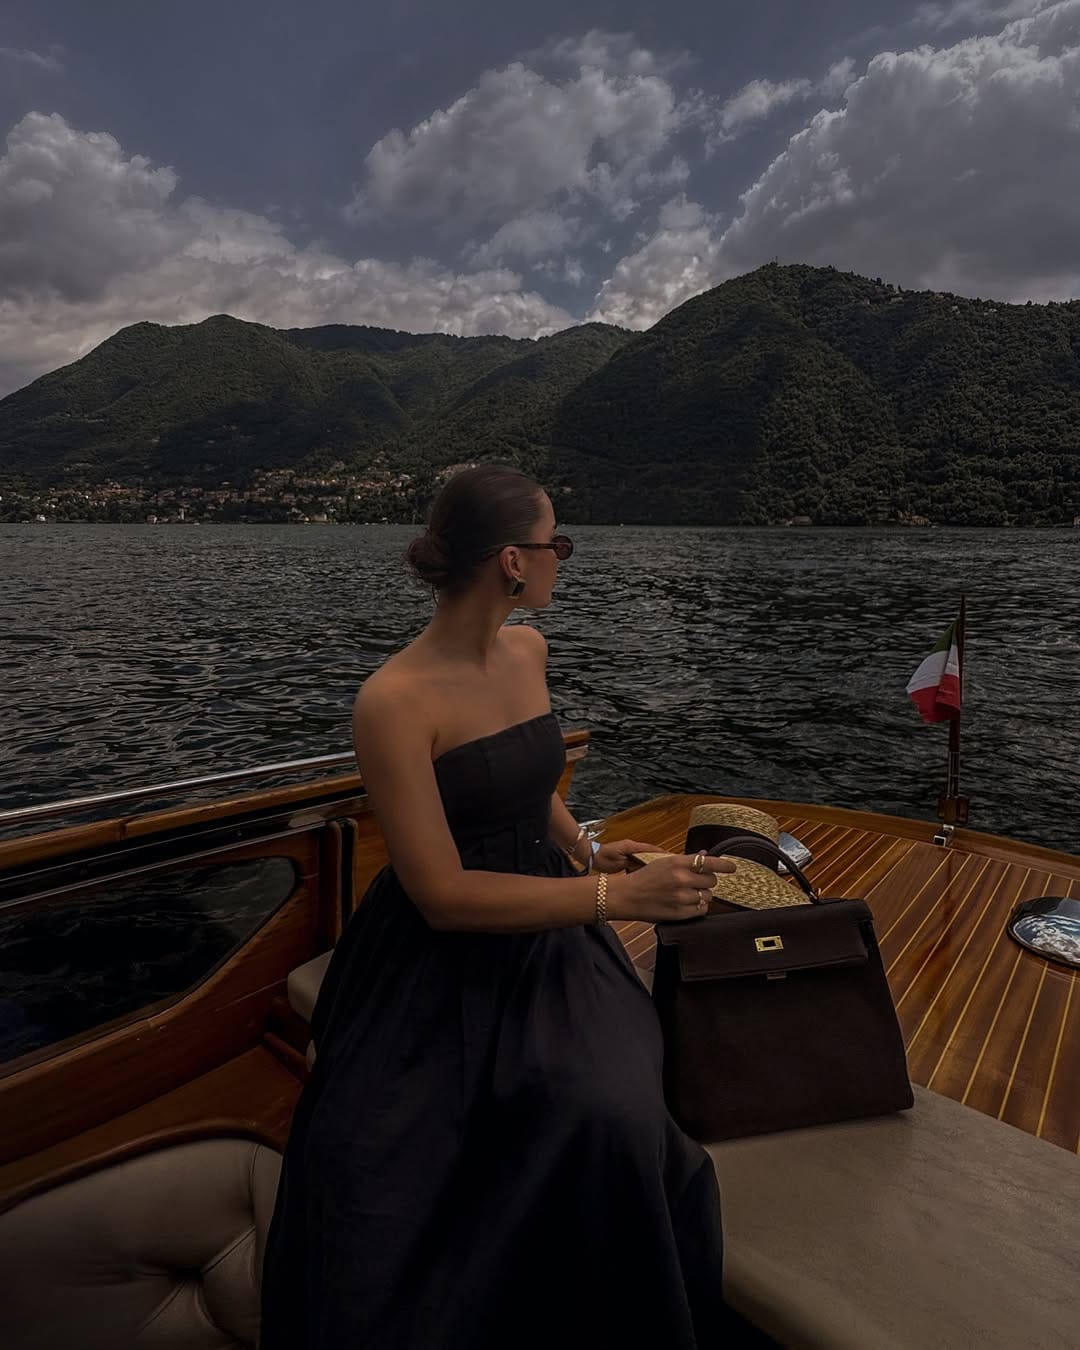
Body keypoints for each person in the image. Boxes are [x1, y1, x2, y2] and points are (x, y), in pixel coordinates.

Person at [260, 464, 734, 1349]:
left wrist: (584, 848)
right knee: (377, 1171)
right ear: (513, 562)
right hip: (440, 953)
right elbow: (440, 895)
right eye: (558, 542)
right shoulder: (393, 701)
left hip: (551, 913)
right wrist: (613, 895)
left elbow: (528, 785)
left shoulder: (528, 651)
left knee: (617, 1112)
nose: (565, 557)